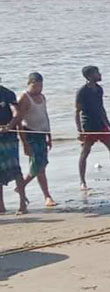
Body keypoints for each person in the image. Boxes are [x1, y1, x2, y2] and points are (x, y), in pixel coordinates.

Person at [75, 66, 110, 190]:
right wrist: (79, 131)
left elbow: (101, 108)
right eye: (96, 73)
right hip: (88, 125)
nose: (99, 75)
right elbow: (77, 111)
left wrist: (108, 124)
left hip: (101, 124)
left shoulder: (99, 89)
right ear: (89, 76)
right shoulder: (82, 91)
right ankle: (82, 182)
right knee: (85, 152)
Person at [17, 73, 55, 207]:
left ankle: (24, 187)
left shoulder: (42, 97)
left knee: (42, 165)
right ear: (29, 84)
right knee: (38, 166)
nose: (38, 88)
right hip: (30, 134)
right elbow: (18, 122)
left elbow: (45, 115)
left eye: (40, 85)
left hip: (42, 134)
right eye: (35, 86)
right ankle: (45, 195)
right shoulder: (24, 98)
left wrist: (49, 136)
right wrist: (24, 144)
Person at [0, 77, 28, 214]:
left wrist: (9, 126)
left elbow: (17, 114)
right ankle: (1, 206)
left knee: (16, 170)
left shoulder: (7, 94)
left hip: (9, 138)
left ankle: (22, 203)